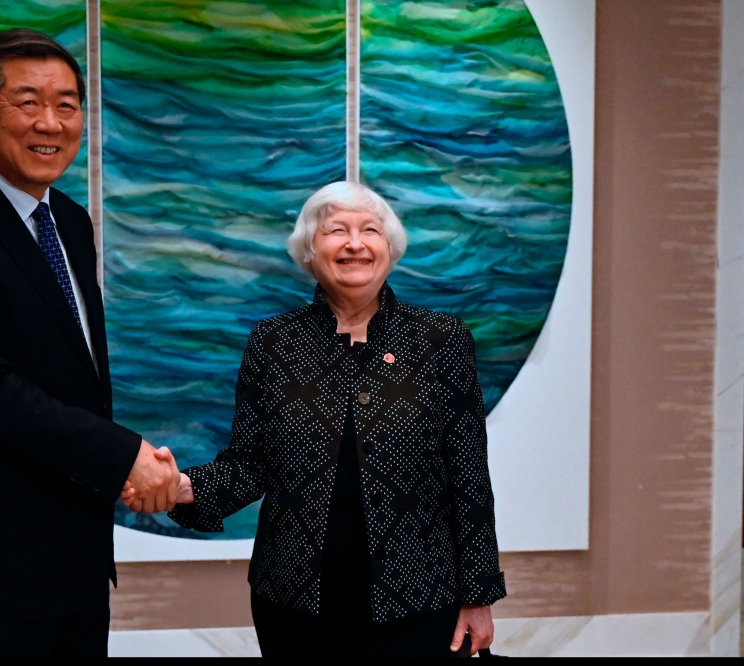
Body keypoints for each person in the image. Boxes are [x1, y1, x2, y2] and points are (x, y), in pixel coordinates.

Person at [124, 181, 506, 657]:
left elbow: (468, 475)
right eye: (336, 231)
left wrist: (479, 595)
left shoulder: (440, 339)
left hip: (422, 598)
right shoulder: (273, 342)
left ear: (390, 247)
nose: (354, 243)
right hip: (296, 601)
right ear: (310, 248)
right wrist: (181, 487)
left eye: (370, 230)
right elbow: (250, 463)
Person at [0, 29, 180, 658]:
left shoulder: (69, 222)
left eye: (67, 104)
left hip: (74, 551)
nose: (49, 123)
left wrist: (119, 466)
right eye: (26, 102)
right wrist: (123, 454)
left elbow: (72, 376)